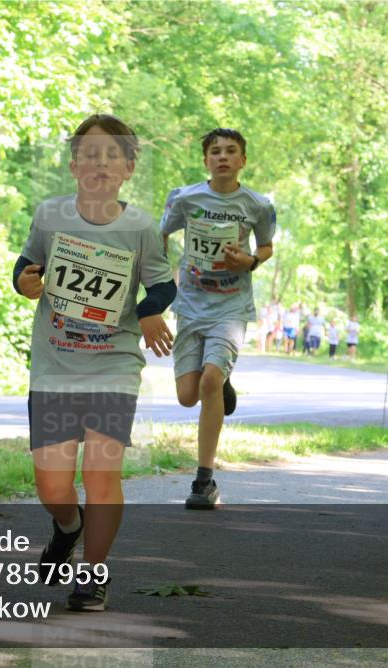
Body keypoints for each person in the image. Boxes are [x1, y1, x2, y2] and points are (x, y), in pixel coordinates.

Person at [13, 114, 176, 612]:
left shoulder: (141, 227)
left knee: (102, 476)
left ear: (129, 167)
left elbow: (162, 284)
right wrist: (25, 282)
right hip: (55, 366)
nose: (100, 163)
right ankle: (68, 527)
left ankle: (92, 575)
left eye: (112, 155)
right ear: (73, 165)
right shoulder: (50, 216)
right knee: (52, 485)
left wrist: (150, 311)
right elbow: (27, 264)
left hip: (114, 367)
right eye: (89, 154)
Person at [160, 127, 276, 509]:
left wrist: (251, 261)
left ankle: (204, 480)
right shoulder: (185, 198)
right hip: (191, 304)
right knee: (187, 396)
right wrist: (159, 277)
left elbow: (266, 246)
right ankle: (221, 383)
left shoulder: (257, 205)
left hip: (231, 306)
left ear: (243, 160)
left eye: (230, 151)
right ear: (205, 160)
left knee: (208, 380)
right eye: (215, 151)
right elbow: (162, 233)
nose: (222, 156)